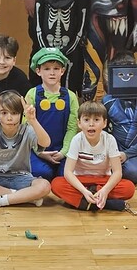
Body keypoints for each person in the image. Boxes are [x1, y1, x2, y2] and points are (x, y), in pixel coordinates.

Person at [50, 101, 136, 211]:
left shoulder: (109, 140)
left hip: (103, 180)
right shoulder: (76, 140)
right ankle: (104, 203)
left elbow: (117, 172)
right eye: (86, 120)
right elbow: (68, 172)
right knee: (56, 184)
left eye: (96, 120)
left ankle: (85, 202)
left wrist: (105, 190)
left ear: (104, 123)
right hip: (81, 180)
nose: (91, 124)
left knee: (129, 188)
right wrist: (84, 191)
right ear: (79, 123)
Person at [102, 52, 137, 185]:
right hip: (115, 148)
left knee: (132, 172)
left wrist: (127, 154)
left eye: (130, 73)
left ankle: (114, 175)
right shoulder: (107, 101)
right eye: (120, 74)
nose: (126, 77)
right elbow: (102, 130)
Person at [26, 47, 79, 180]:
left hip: (63, 149)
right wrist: (39, 151)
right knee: (43, 173)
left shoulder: (71, 96)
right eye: (47, 69)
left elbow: (72, 128)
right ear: (38, 71)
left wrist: (64, 152)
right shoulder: (32, 94)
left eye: (56, 68)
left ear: (62, 71)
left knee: (66, 175)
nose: (52, 73)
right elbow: (27, 127)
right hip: (38, 150)